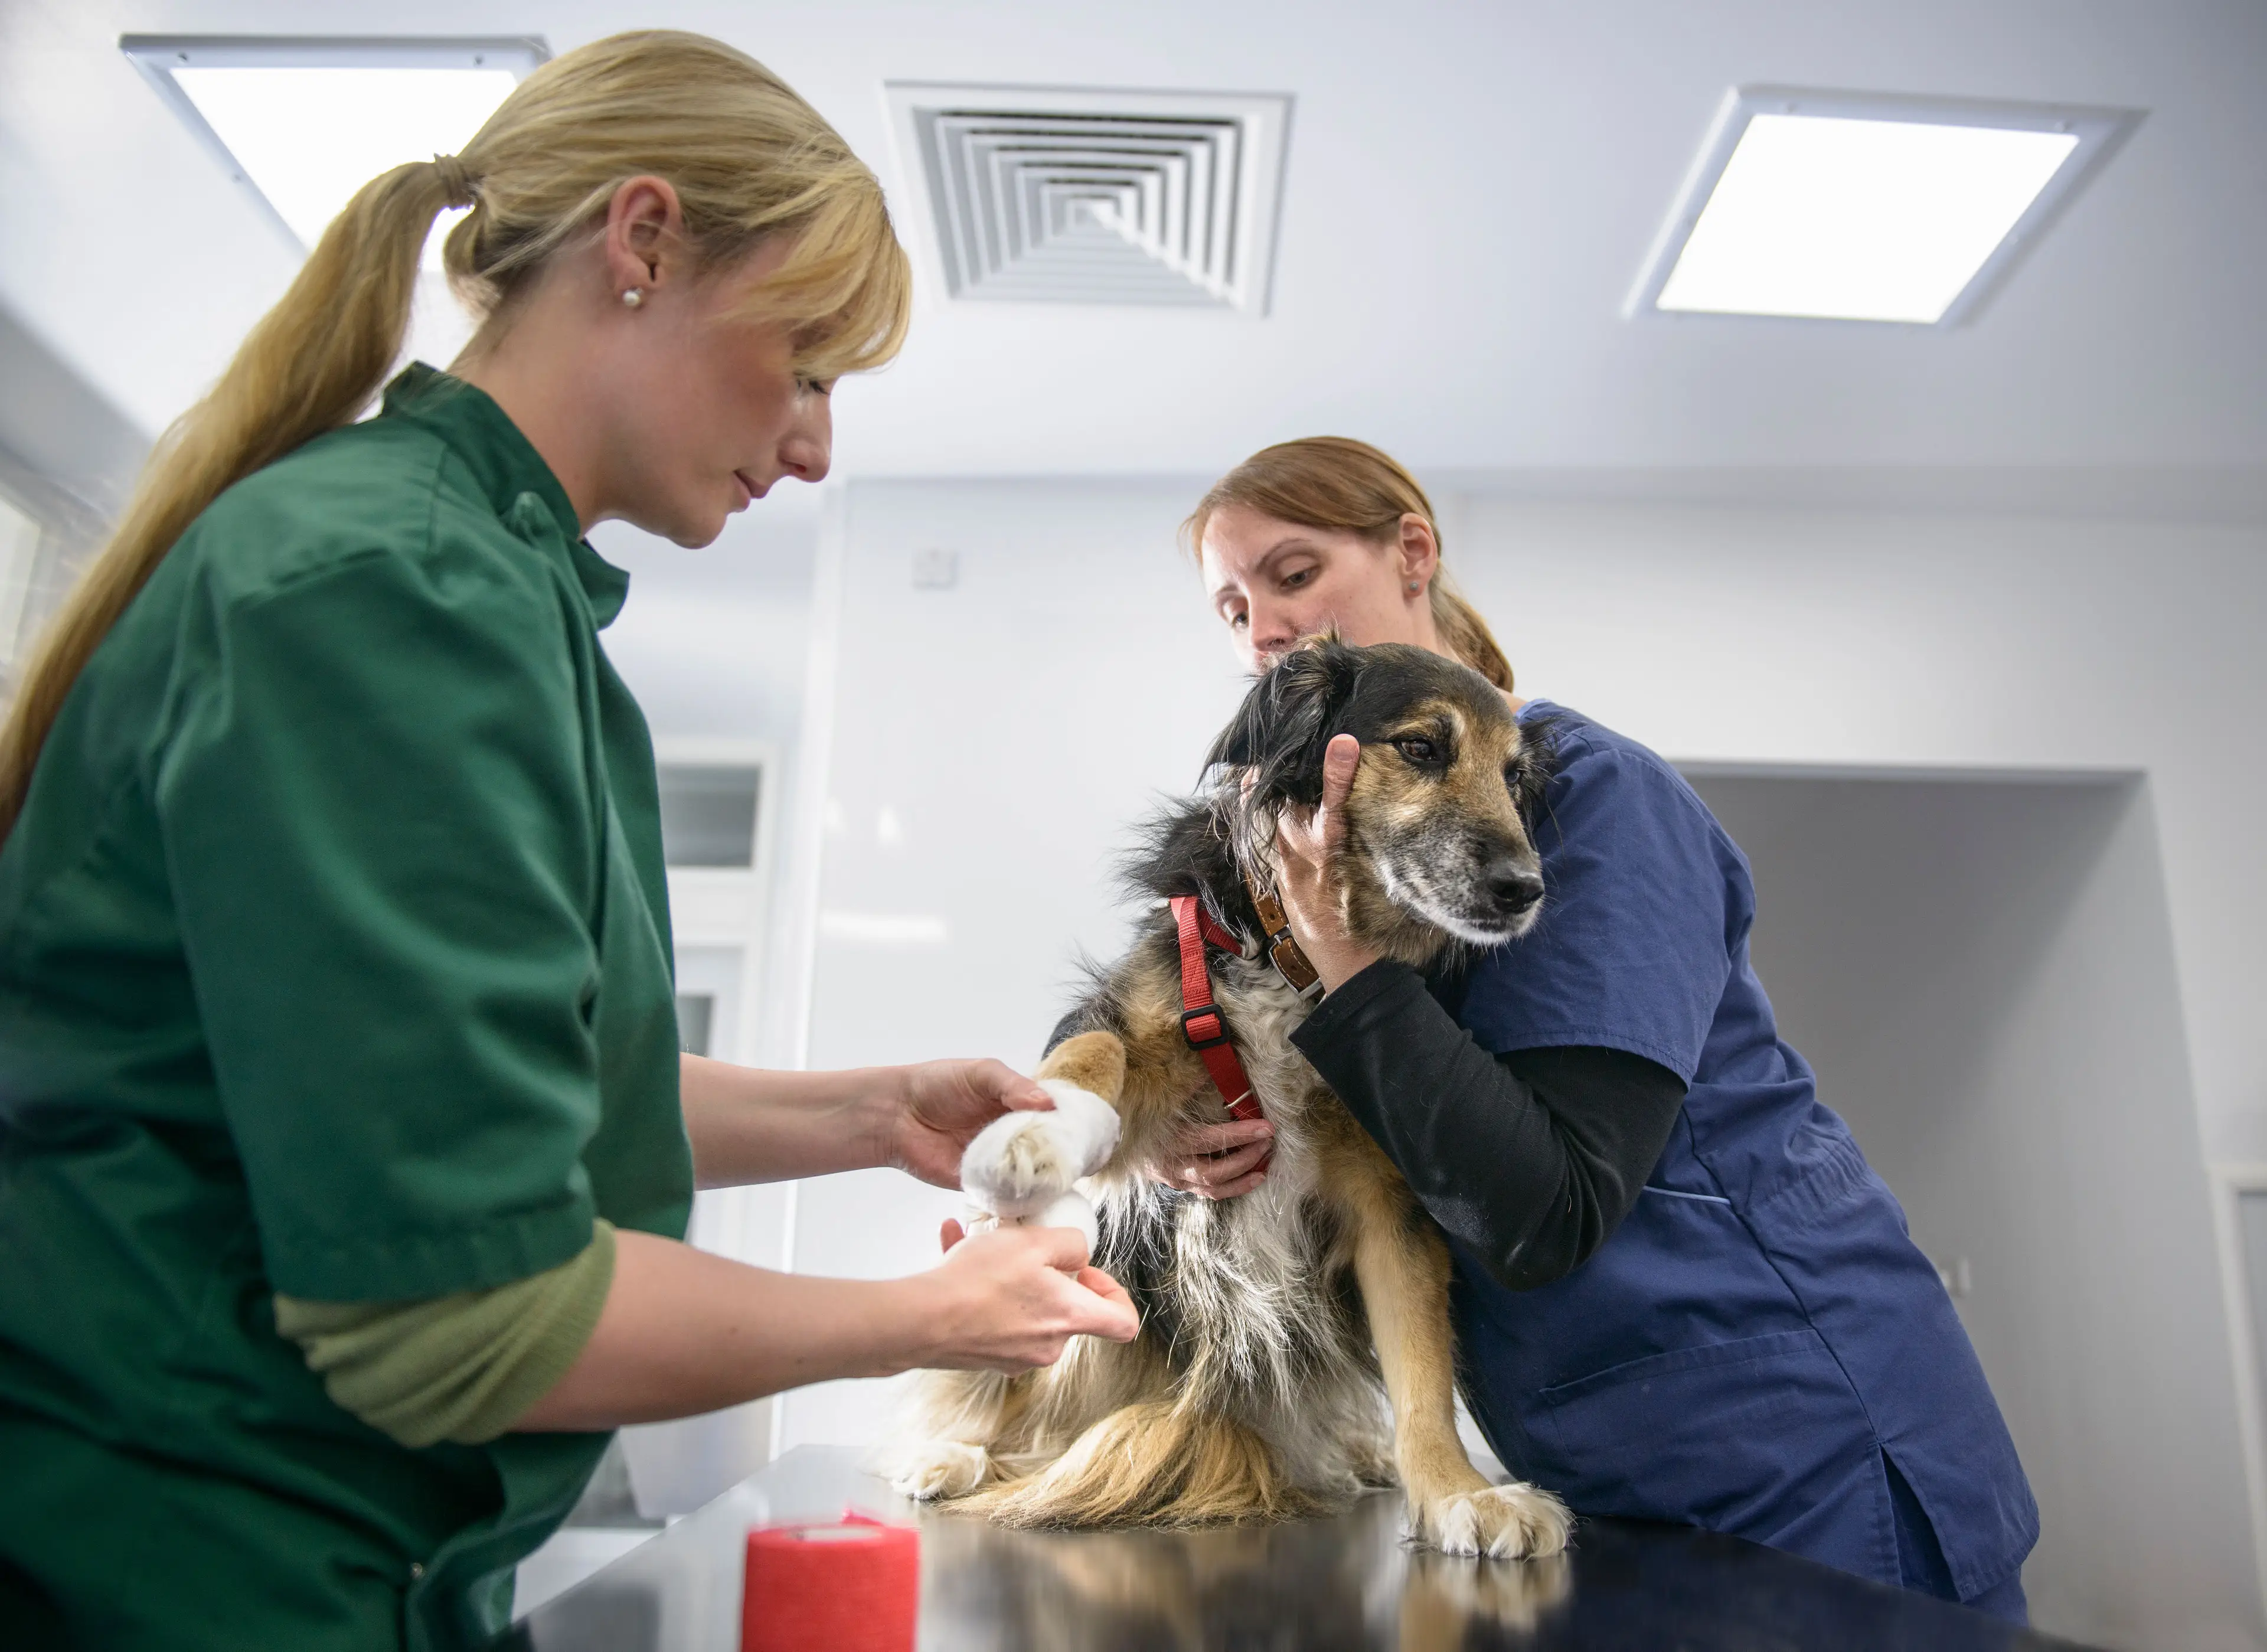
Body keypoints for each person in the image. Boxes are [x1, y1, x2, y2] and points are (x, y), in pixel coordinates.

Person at [0, 31, 1134, 1652]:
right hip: (192, 1564)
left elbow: (464, 1097)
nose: (814, 445)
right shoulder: (395, 594)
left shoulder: (478, 589)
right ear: (645, 240)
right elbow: (461, 1305)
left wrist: (874, 1110)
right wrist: (923, 1318)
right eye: (807, 361)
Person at [1159, 436, 2039, 1620]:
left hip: (1798, 1444)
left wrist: (1340, 957)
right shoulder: (1347, 870)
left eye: (1294, 572)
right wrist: (1189, 1142)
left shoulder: (1595, 797)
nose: (1263, 624)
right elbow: (1389, 1165)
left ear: (1413, 553)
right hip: (1601, 1455)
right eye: (1232, 603)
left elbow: (1545, 1207)